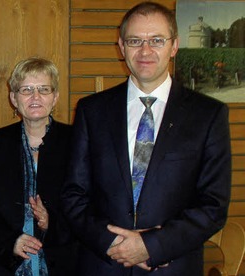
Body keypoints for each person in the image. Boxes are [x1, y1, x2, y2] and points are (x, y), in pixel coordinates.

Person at [61, 2, 232, 275]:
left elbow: (213, 205)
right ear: (121, 46)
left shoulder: (208, 115)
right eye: (135, 40)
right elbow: (73, 195)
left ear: (174, 46)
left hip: (172, 266)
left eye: (156, 40)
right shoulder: (91, 111)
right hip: (103, 265)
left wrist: (153, 246)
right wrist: (114, 243)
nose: (145, 50)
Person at [0, 57, 78, 276]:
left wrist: (51, 223)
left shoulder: (77, 142)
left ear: (55, 97)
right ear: (14, 98)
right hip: (3, 264)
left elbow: (89, 204)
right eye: (26, 90)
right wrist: (10, 243)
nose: (35, 97)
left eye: (44, 89)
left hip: (64, 262)